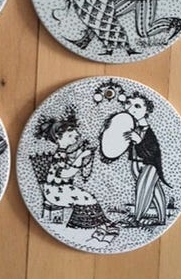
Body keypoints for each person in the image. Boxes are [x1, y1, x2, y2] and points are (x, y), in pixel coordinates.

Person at [35, 110, 119, 238]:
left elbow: (72, 167)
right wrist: (81, 157)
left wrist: (81, 154)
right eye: (70, 134)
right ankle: (85, 228)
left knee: (88, 197)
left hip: (62, 189)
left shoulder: (64, 153)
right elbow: (65, 173)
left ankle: (100, 225)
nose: (76, 136)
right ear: (58, 137)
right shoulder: (59, 155)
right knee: (87, 198)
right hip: (55, 191)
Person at [100, 92, 169, 226]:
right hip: (135, 163)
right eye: (128, 104)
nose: (131, 109)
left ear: (147, 110)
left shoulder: (148, 131)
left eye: (137, 106)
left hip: (150, 165)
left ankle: (136, 219)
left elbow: (153, 151)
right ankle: (162, 219)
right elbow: (119, 145)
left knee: (143, 189)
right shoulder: (130, 126)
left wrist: (139, 141)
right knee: (154, 189)